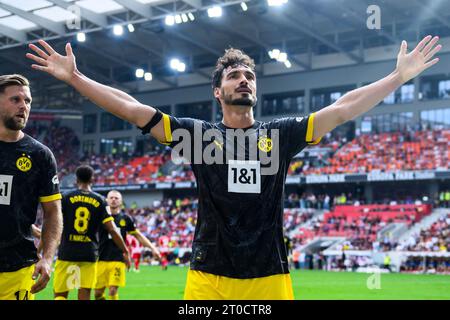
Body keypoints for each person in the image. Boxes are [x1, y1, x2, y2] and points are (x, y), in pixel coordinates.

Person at [27, 35, 442, 299]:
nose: (244, 80)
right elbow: (134, 109)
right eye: (234, 75)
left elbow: (342, 109)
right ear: (217, 90)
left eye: (249, 75)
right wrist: (77, 78)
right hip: (209, 274)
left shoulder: (279, 135)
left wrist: (396, 78)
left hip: (269, 274)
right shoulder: (198, 135)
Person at [0, 74, 63, 300]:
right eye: (15, 100)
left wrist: (47, 258)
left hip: (18, 269)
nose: (23, 106)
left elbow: (53, 211)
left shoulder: (40, 155)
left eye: (27, 101)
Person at [53, 166, 131, 300]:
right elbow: (112, 229)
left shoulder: (66, 198)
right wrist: (125, 250)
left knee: (60, 295)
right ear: (92, 179)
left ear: (76, 180)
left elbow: (54, 223)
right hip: (88, 254)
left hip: (67, 252)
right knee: (85, 294)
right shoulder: (100, 200)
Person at [94, 190, 161, 301]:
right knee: (97, 293)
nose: (113, 200)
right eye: (111, 198)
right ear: (106, 200)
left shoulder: (125, 219)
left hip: (118, 259)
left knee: (113, 290)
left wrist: (153, 248)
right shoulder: (100, 217)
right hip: (101, 258)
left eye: (116, 198)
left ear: (121, 202)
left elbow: (138, 236)